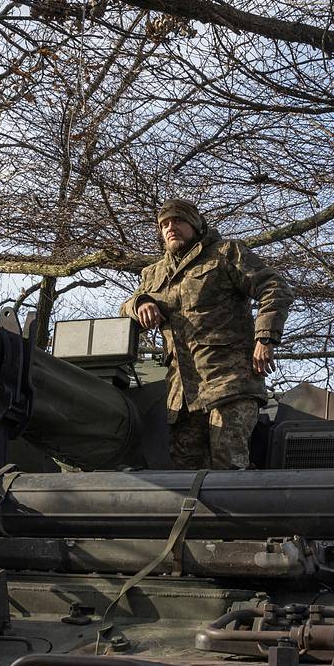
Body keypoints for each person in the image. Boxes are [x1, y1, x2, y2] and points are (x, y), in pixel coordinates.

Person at [121, 198, 293, 469]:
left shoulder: (225, 253)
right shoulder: (153, 274)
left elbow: (274, 287)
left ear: (195, 224)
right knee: (187, 475)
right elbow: (125, 309)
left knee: (229, 467)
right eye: (164, 224)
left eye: (177, 220)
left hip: (229, 382)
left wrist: (265, 338)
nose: (170, 228)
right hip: (183, 395)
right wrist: (140, 303)